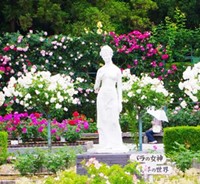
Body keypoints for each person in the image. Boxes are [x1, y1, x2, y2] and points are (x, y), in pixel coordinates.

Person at [93, 45, 128, 153]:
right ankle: (105, 143)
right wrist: (98, 78)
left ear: (111, 54)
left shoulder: (116, 70)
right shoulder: (101, 70)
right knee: (103, 120)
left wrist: (120, 102)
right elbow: (96, 87)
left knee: (113, 120)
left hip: (113, 96)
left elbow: (120, 88)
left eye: (107, 54)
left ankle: (116, 143)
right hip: (102, 96)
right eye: (103, 55)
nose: (106, 56)